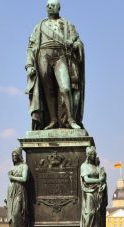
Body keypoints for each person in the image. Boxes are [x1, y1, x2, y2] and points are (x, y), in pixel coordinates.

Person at [25, 0, 85, 130]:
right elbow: (30, 46)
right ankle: (52, 120)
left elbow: (78, 42)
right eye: (47, 5)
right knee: (48, 90)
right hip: (43, 55)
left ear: (58, 8)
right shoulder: (39, 26)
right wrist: (29, 65)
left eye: (52, 5)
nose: (49, 7)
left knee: (65, 88)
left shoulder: (67, 24)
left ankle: (70, 119)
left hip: (61, 55)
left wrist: (73, 44)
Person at [6, 148, 33, 227]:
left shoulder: (24, 166)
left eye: (15, 155)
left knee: (17, 213)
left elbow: (25, 178)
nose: (14, 158)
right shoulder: (13, 168)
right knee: (12, 216)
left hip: (20, 191)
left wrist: (12, 177)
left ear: (19, 156)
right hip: (11, 193)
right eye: (12, 156)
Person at [80, 147, 107, 227]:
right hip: (89, 192)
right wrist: (99, 180)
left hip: (97, 192)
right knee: (90, 213)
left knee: (97, 214)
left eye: (94, 154)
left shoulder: (96, 167)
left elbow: (102, 177)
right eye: (91, 155)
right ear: (88, 155)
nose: (93, 156)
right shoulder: (84, 166)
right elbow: (86, 180)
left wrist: (103, 181)